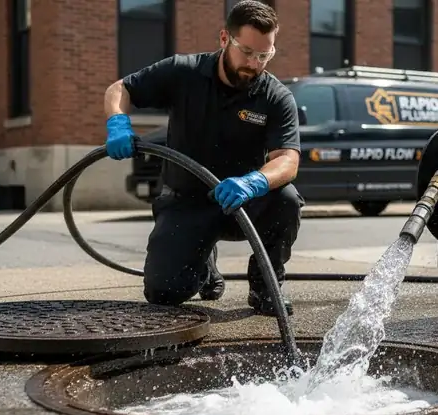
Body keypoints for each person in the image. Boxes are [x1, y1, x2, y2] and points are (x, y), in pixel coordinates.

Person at [101, 0, 303, 316]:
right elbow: (120, 89)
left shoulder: (275, 96)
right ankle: (204, 265)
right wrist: (117, 122)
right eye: (247, 52)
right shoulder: (183, 72)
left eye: (265, 55)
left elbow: (288, 159)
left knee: (286, 200)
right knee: (164, 292)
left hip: (240, 202)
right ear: (224, 39)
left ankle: (266, 286)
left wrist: (254, 182)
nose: (254, 63)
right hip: (187, 201)